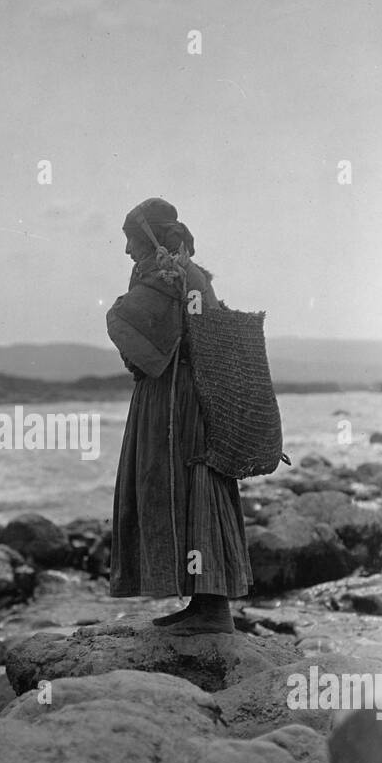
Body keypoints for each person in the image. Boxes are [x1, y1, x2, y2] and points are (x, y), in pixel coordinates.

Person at [105, 198, 253, 634]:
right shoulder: (189, 272)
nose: (128, 252)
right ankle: (204, 601)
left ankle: (211, 611)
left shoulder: (170, 276)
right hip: (190, 394)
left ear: (147, 236)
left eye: (131, 240)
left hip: (176, 401)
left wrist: (117, 305)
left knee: (182, 482)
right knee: (194, 486)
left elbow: (127, 319)